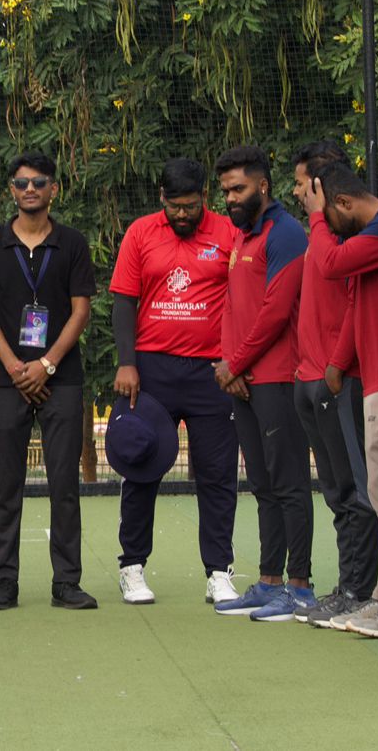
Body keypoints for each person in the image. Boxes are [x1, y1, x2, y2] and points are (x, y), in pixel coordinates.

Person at [109, 157, 240, 606]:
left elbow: (242, 297)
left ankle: (219, 572)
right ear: (161, 198)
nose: (182, 215)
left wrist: (234, 357)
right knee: (140, 466)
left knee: (217, 475)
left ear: (204, 197)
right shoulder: (141, 233)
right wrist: (127, 363)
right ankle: (132, 566)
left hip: (210, 374)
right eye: (174, 207)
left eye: (190, 206)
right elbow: (124, 302)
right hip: (151, 371)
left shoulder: (227, 233)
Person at [0, 152, 98, 611]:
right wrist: (13, 368)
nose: (30, 189)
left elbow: (80, 309)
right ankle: (3, 582)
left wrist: (46, 364)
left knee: (64, 482)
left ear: (53, 189)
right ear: (11, 189)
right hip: (8, 380)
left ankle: (67, 582)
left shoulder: (72, 243)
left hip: (60, 378)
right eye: (21, 182)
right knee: (7, 483)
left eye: (39, 182)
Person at [306, 161, 378, 637]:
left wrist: (316, 219)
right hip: (374, 377)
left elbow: (330, 265)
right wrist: (338, 361)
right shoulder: (373, 239)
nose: (323, 224)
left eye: (326, 212)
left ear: (344, 204)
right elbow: (356, 302)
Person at [212, 145, 313, 621]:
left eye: (239, 188)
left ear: (263, 186)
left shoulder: (286, 233)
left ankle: (300, 586)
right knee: (263, 483)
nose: (230, 198)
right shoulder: (242, 235)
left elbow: (276, 311)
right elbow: (235, 308)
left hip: (276, 379)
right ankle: (269, 580)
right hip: (245, 380)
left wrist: (236, 364)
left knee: (289, 482)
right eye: (227, 190)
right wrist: (228, 364)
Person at [288, 140, 378, 630]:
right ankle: (348, 585)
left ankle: (359, 590)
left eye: (304, 184)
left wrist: (337, 365)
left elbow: (353, 305)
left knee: (355, 490)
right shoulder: (317, 235)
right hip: (310, 376)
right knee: (336, 490)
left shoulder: (346, 234)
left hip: (341, 379)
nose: (300, 193)